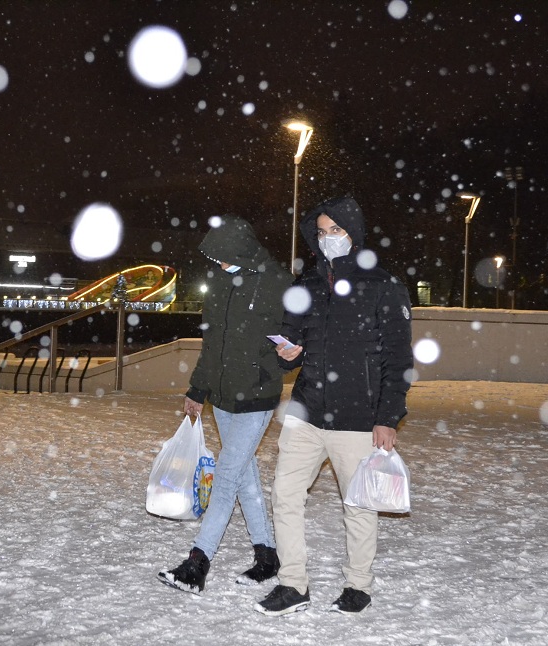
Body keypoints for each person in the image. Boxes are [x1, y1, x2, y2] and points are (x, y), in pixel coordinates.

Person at [255, 195, 413, 616]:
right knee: (285, 495)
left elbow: (398, 362)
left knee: (358, 504)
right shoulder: (305, 284)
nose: (328, 240)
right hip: (306, 411)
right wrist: (287, 352)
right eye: (321, 233)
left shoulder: (383, 286)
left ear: (354, 234)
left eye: (336, 231)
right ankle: (293, 584)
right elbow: (291, 339)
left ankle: (358, 584)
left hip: (358, 419)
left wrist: (387, 418)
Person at [157, 214, 293, 595]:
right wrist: (197, 389)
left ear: (242, 250)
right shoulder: (219, 282)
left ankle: (197, 563)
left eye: (222, 256)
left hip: (257, 393)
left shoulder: (277, 281)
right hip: (222, 395)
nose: (216, 264)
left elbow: (296, 336)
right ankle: (267, 558)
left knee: (228, 474)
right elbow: (212, 343)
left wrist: (286, 356)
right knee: (244, 474)